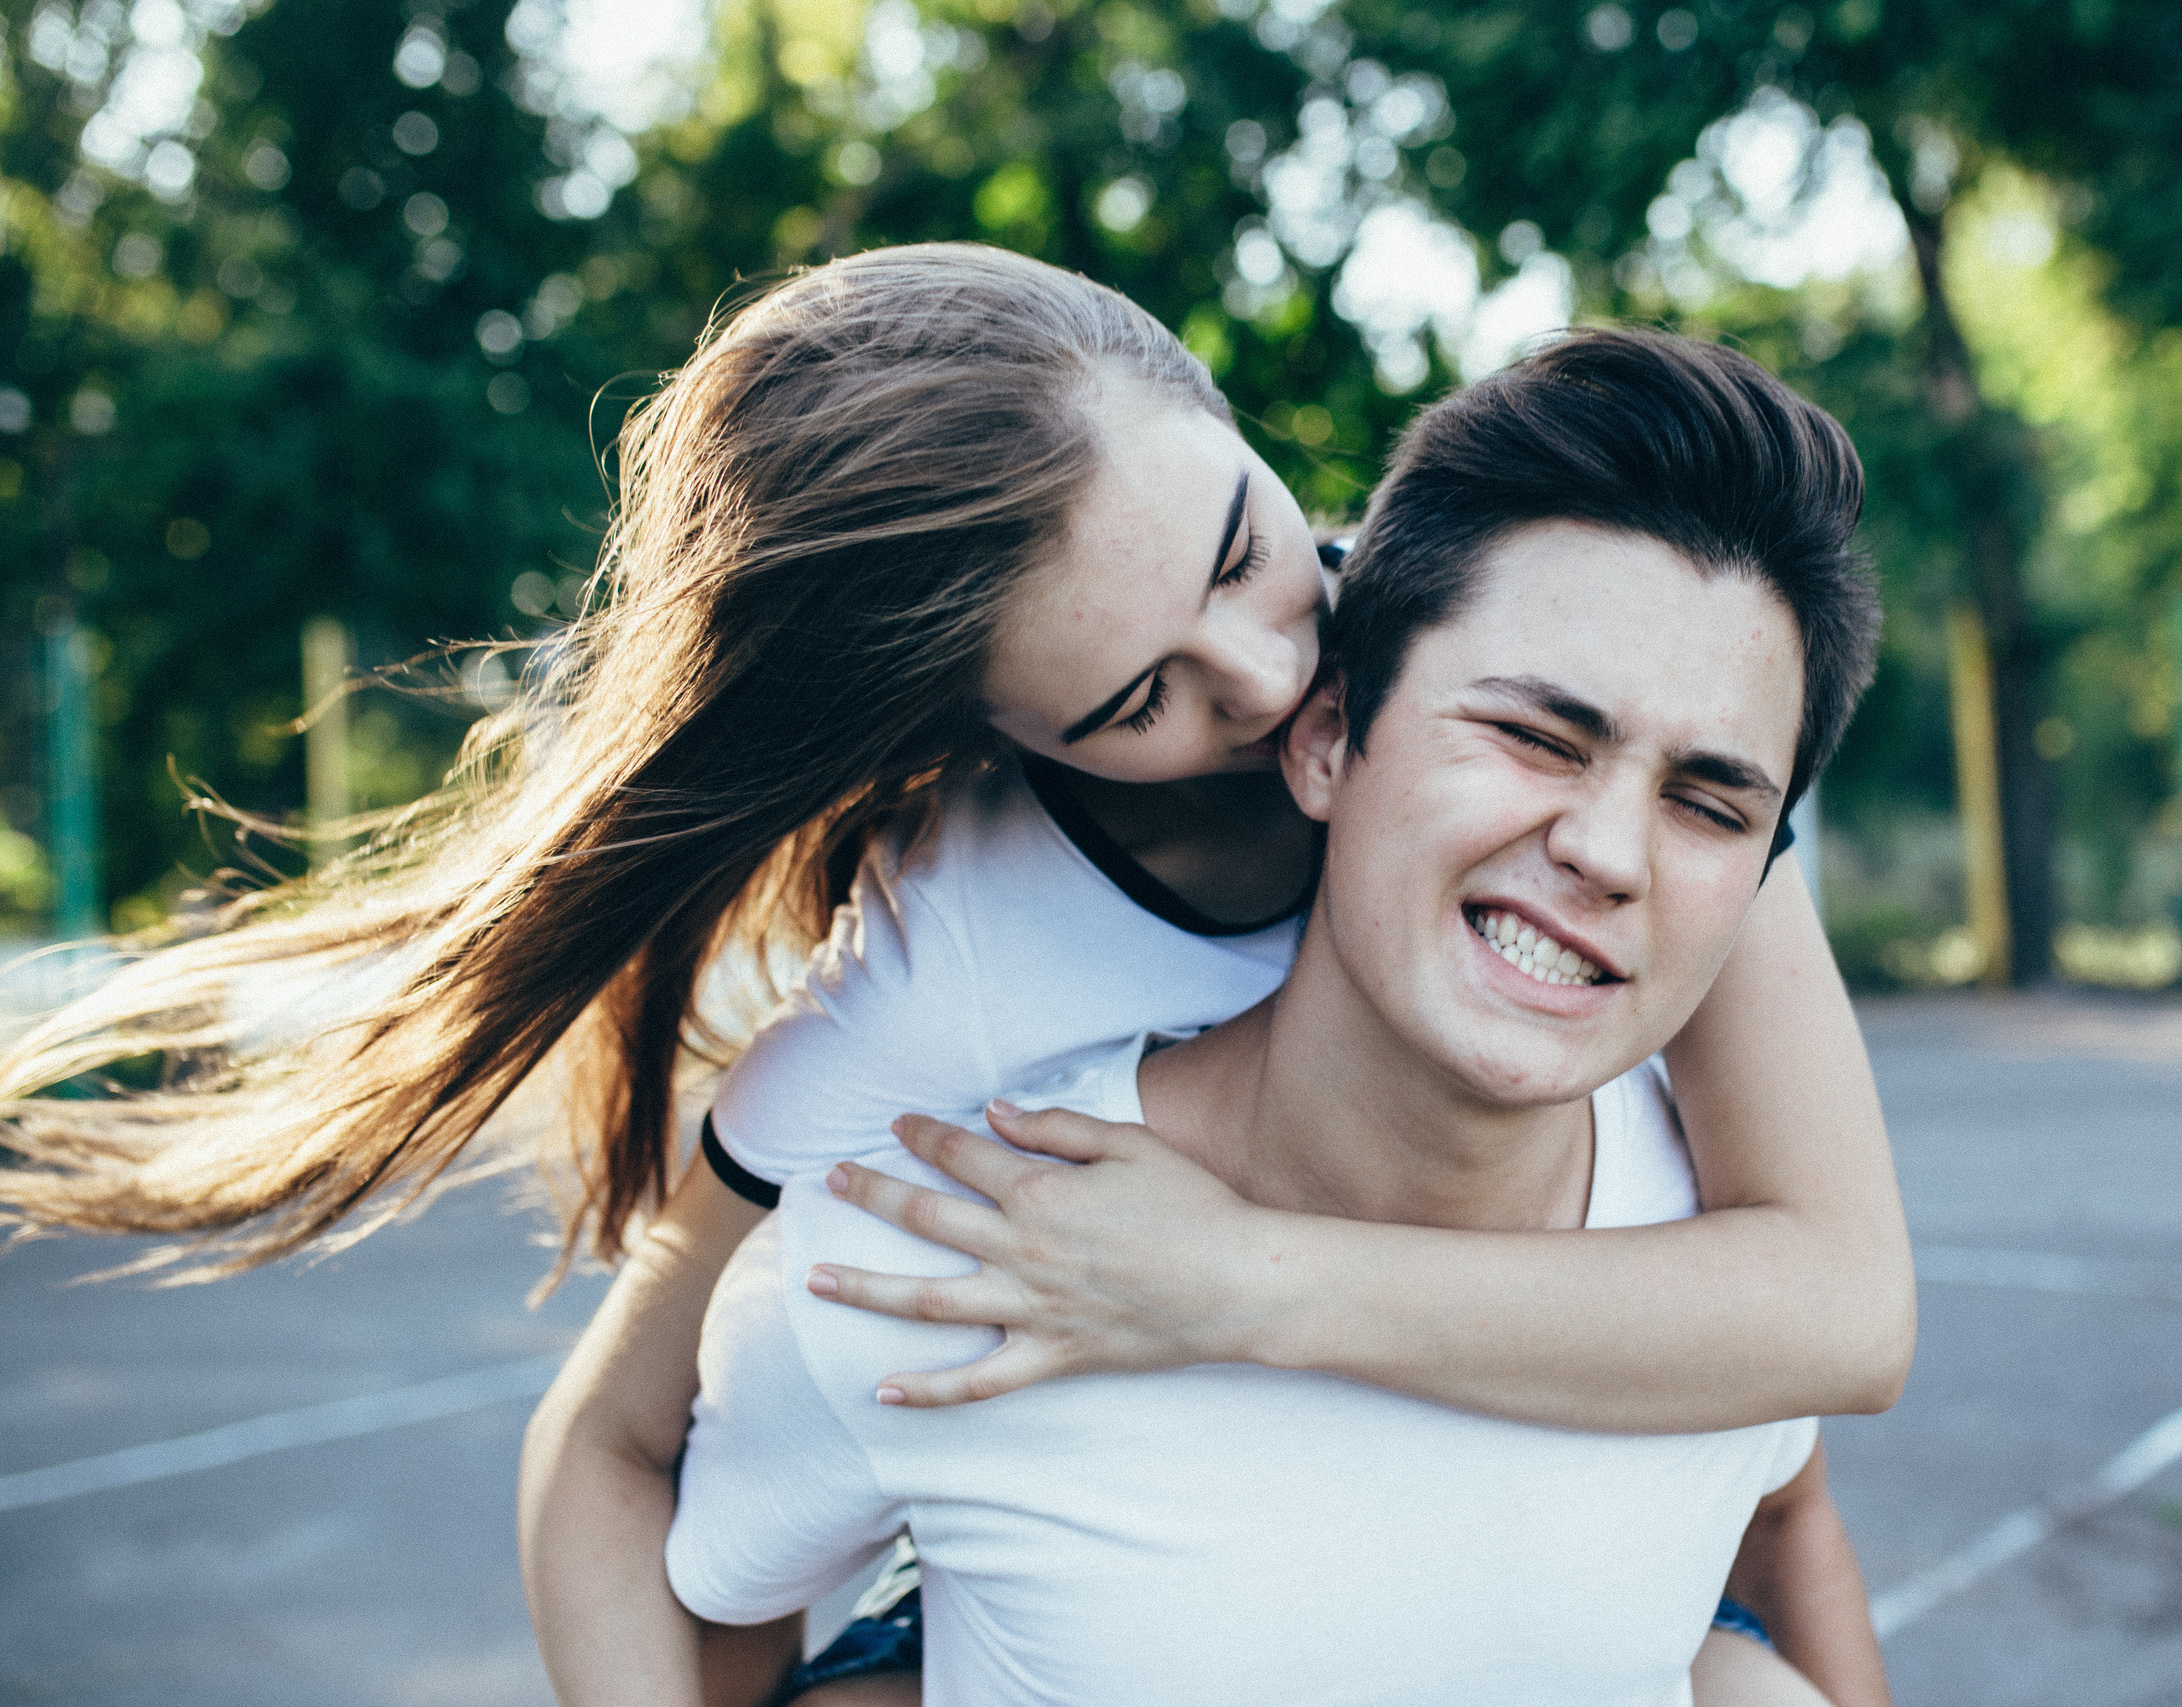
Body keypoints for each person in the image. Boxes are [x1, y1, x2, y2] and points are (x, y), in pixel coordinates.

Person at [0, 244, 1904, 1699]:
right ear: (1003, 736)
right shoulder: (960, 952)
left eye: (1247, 546)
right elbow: (611, 1449)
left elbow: (1831, 1323)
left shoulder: (1593, 725)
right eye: (1139, 694)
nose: (1270, 675)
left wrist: (1240, 1281)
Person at [661, 326, 1893, 1705]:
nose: (1611, 850)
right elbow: (661, 1525)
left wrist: (1240, 1278)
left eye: (1712, 804)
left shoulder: (1712, 1273)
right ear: (1330, 740)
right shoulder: (938, 1230)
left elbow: (1799, 1473)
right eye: (1537, 739)